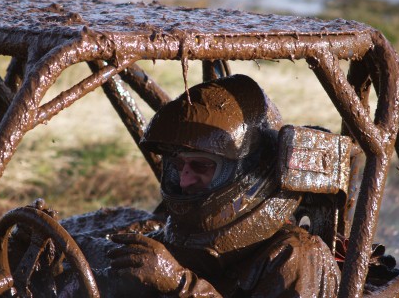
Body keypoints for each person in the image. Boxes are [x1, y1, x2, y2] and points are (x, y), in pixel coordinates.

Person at [104, 74, 341, 297]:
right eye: (178, 165)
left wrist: (180, 284)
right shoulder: (173, 240)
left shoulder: (296, 255)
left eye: (201, 166)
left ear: (246, 171)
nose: (185, 180)